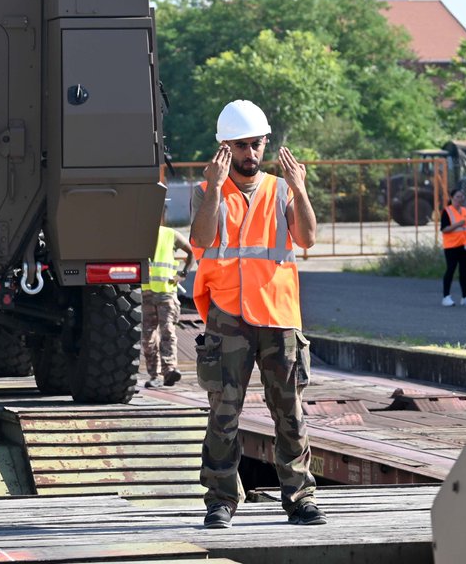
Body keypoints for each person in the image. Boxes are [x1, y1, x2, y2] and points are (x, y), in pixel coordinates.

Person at [190, 99, 326, 530]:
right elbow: (200, 238)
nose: (250, 153)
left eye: (256, 143)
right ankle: (221, 501)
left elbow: (307, 238)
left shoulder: (282, 189)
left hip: (279, 315)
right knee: (223, 413)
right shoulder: (206, 191)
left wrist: (300, 187)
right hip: (228, 316)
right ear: (224, 147)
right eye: (241, 145)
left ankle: (300, 497)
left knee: (290, 411)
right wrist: (213, 188)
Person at [140, 204, 194, 389]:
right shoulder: (139, 235)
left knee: (167, 332)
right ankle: (154, 375)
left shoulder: (170, 235)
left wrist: (183, 274)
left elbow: (191, 252)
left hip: (166, 293)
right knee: (148, 337)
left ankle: (170, 370)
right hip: (146, 293)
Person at [439, 188, 466, 306]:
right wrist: (457, 224)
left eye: (462, 197)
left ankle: (465, 296)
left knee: (464, 271)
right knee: (450, 270)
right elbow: (444, 229)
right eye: (457, 197)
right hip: (452, 246)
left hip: (465, 245)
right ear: (452, 198)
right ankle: (446, 297)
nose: (460, 199)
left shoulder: (465, 211)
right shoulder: (447, 211)